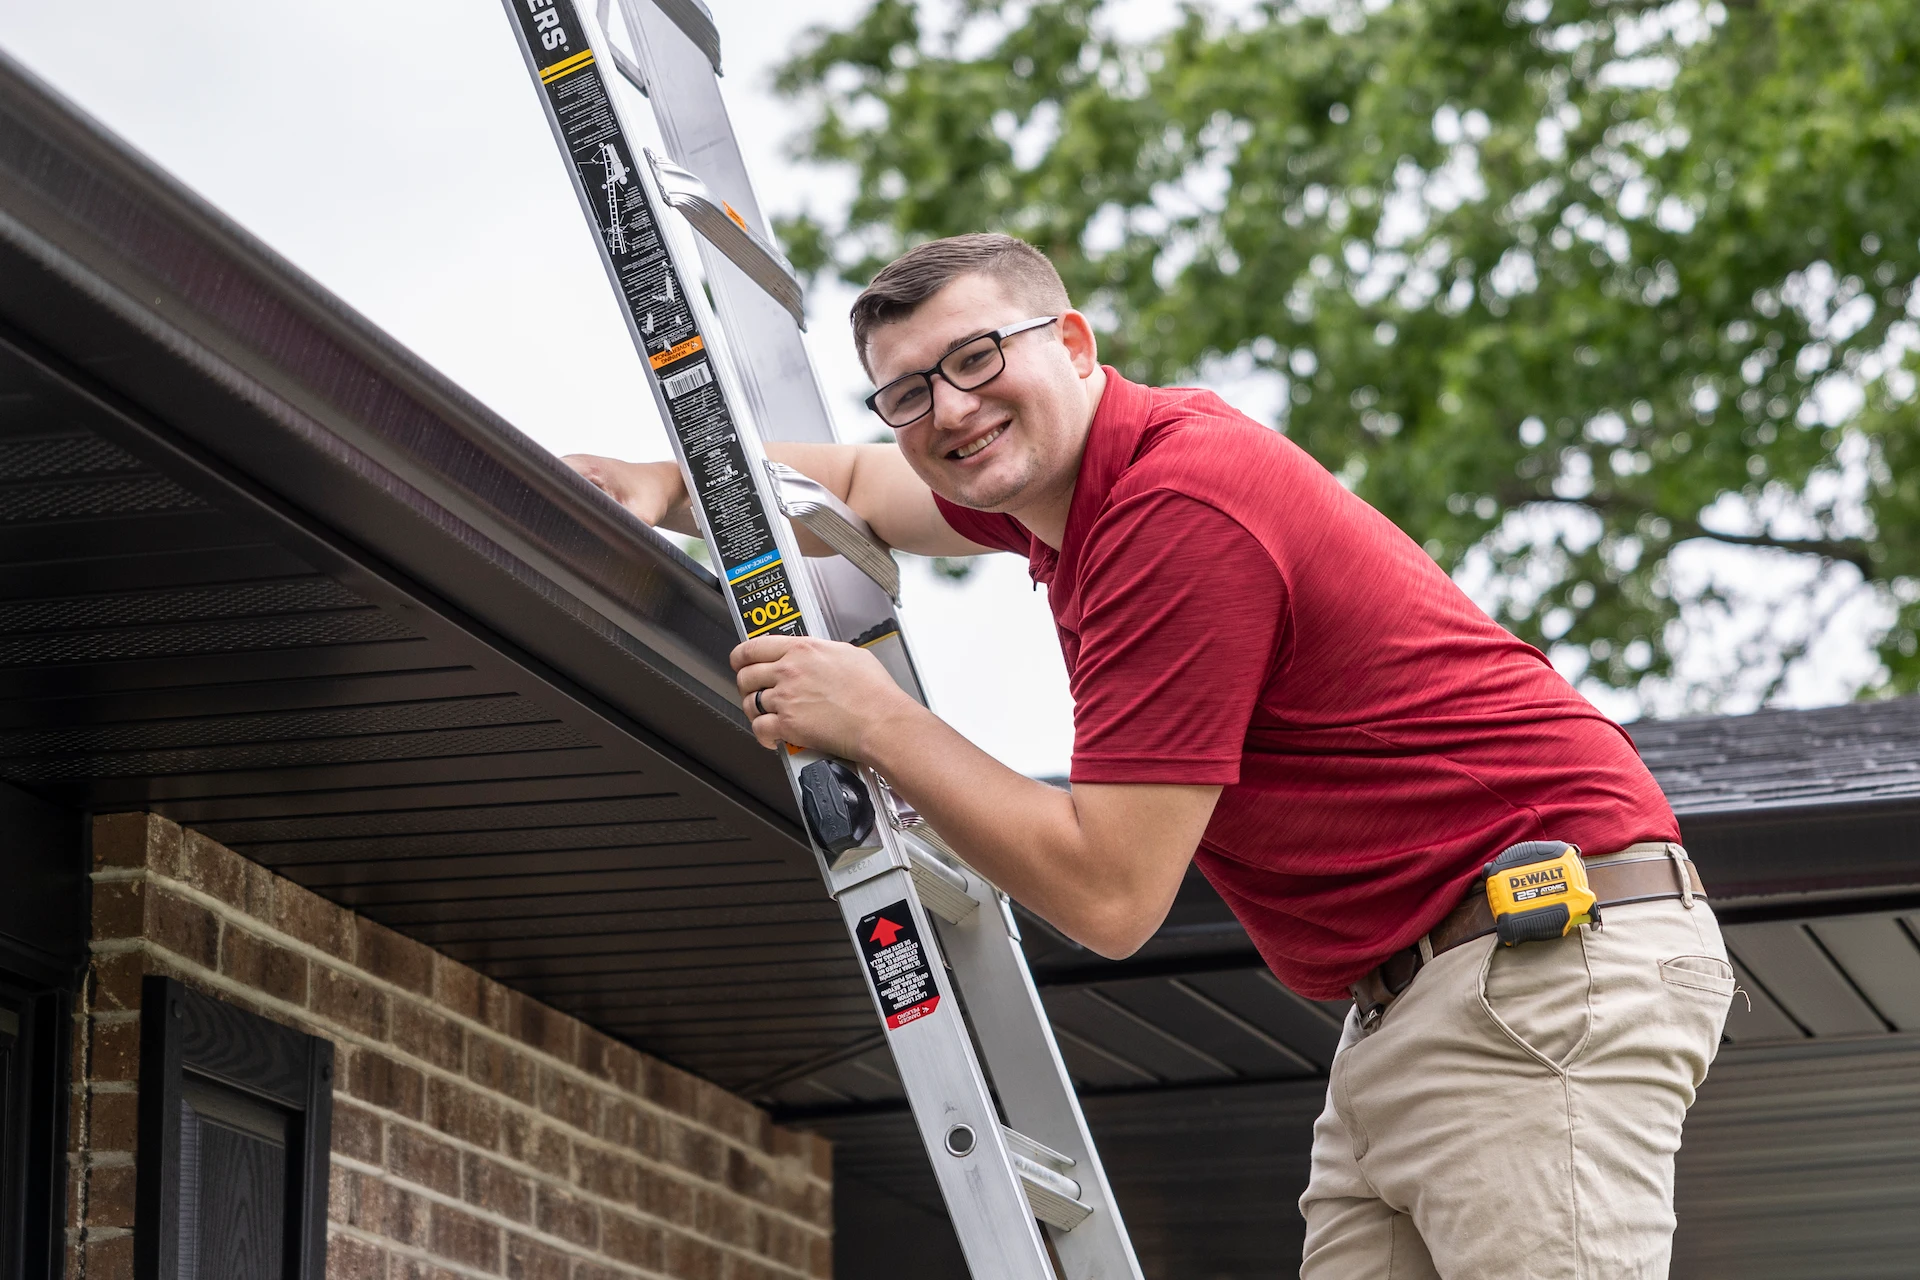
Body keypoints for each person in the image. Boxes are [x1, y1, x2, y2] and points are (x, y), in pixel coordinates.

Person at [566, 233, 1736, 1279]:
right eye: (909, 393)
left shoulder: (1174, 512)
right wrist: (667, 484)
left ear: (1071, 342)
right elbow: (866, 485)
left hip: (1532, 962)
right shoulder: (1067, 487)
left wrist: (876, 721)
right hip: (1421, 996)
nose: (951, 410)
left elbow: (1112, 893)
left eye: (977, 359)